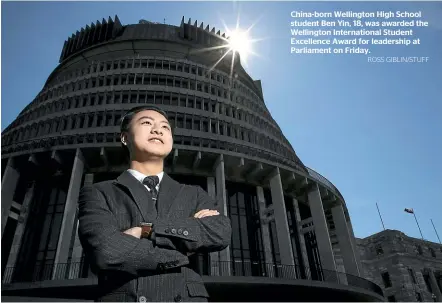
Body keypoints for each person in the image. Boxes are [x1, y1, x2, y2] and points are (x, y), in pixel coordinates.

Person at [78, 105, 232, 302]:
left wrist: (146, 230)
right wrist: (182, 254)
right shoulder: (99, 192)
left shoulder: (193, 193)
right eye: (147, 123)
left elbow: (220, 232)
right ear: (124, 137)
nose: (158, 130)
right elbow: (106, 251)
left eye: (165, 127)